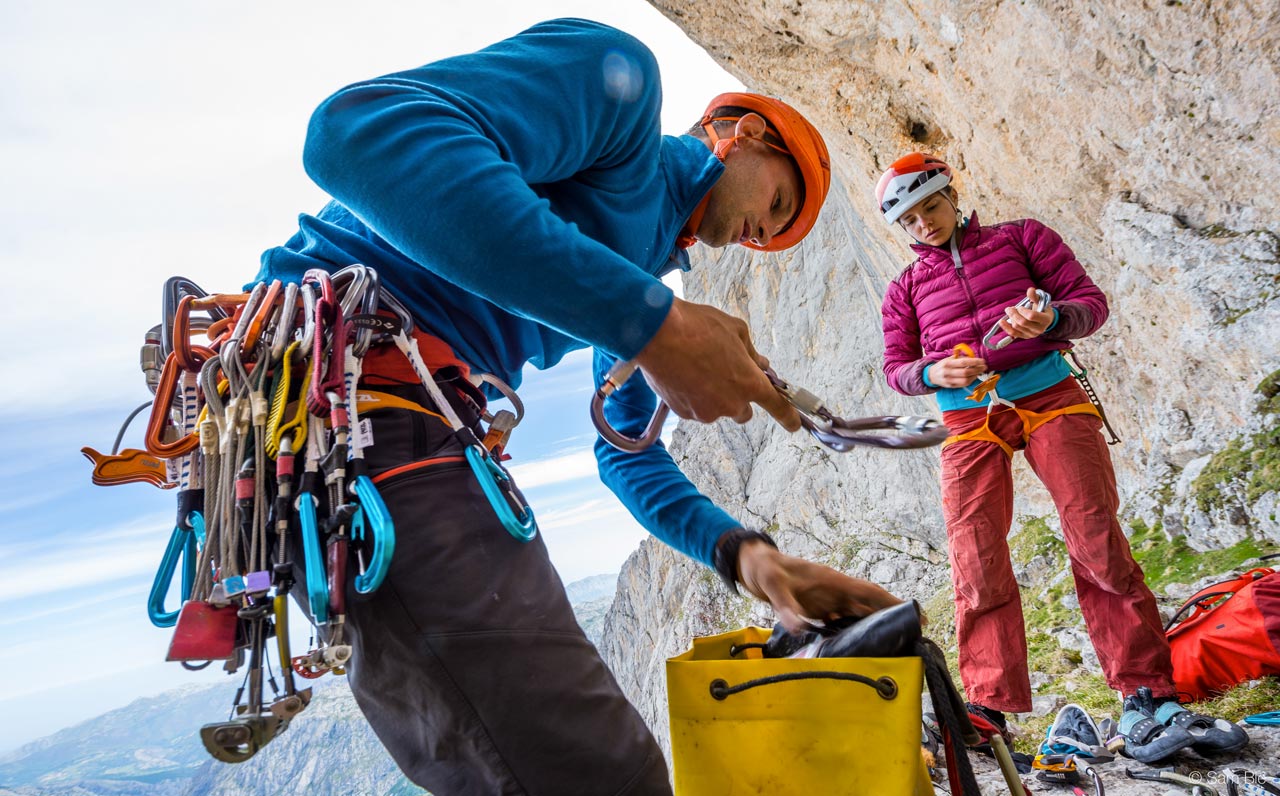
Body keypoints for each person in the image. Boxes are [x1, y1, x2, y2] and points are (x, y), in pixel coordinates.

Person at [251, 18, 901, 795]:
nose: (764, 235)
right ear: (747, 133)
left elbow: (624, 452)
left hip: (359, 432)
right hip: (353, 404)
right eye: (780, 201)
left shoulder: (623, 281)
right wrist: (653, 325)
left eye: (779, 236)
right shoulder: (619, 85)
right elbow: (355, 135)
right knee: (598, 774)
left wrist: (744, 554)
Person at [875, 152, 1249, 763]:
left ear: (951, 194)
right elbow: (897, 368)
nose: (924, 225)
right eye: (909, 220)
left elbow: (1088, 304)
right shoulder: (905, 290)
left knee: (1096, 536)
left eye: (931, 208)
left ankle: (1147, 693)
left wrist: (1050, 318)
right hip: (967, 416)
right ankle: (987, 706)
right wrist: (932, 369)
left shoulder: (1023, 238)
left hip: (1049, 394)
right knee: (976, 555)